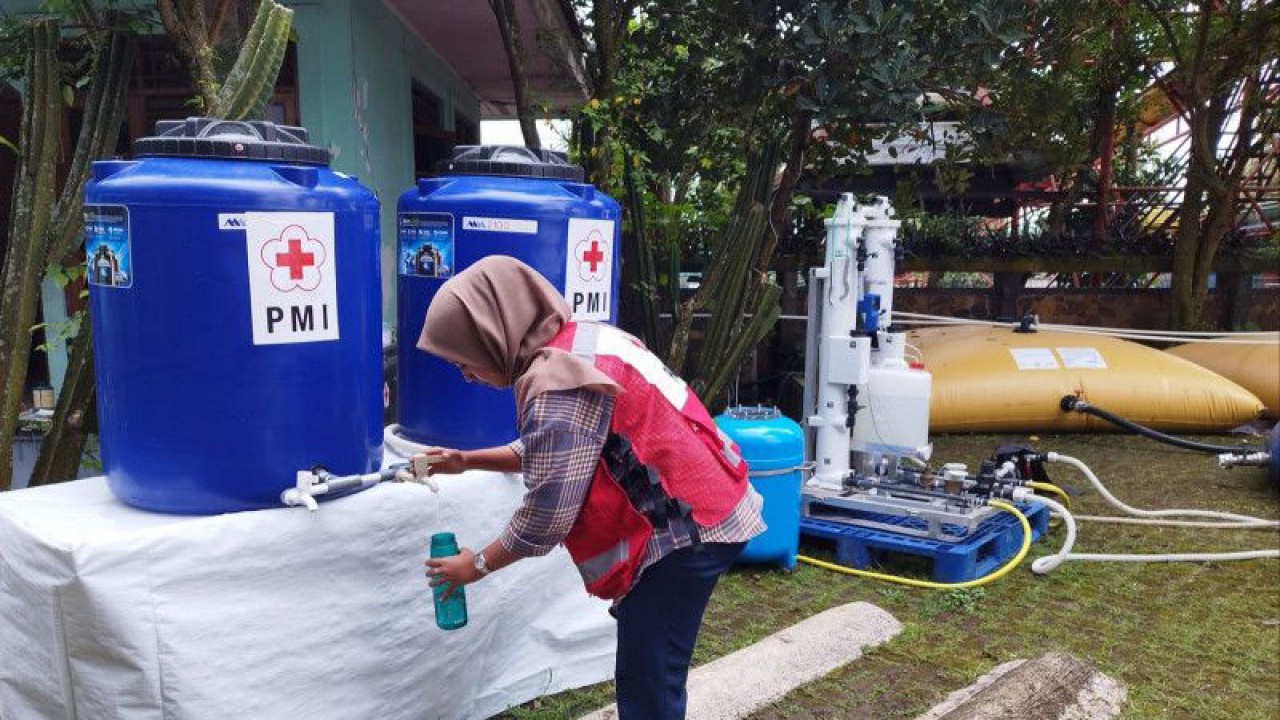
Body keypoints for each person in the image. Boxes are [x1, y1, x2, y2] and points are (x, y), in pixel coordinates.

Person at [416, 255, 764, 720]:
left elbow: (545, 519)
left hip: (686, 534)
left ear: (492, 334)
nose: (467, 376)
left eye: (465, 361)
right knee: (649, 668)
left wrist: (474, 566)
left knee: (649, 687)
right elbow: (568, 446)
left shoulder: (555, 388)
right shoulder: (582, 339)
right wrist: (468, 461)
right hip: (711, 502)